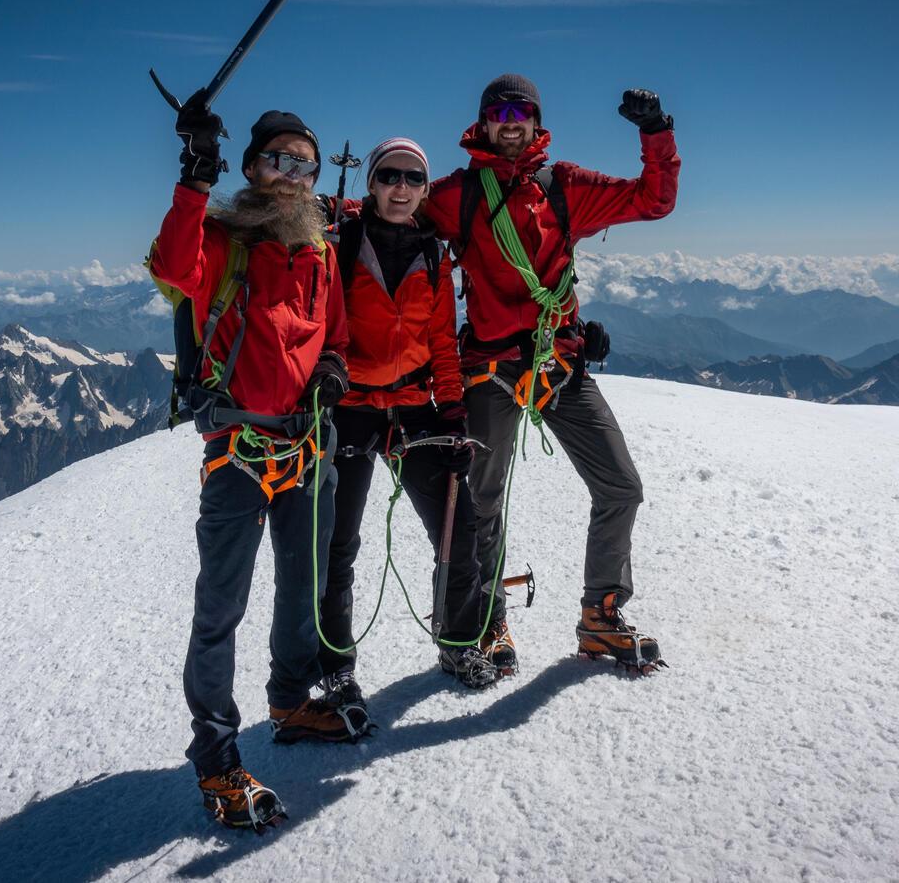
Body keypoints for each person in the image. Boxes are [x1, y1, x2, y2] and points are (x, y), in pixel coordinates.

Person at [149, 90, 371, 832]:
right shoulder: (222, 241)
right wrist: (195, 173)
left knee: (303, 587)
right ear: (251, 167)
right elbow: (172, 264)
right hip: (238, 452)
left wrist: (332, 370)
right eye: (278, 160)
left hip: (307, 445)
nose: (292, 176)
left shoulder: (321, 252)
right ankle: (215, 755)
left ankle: (289, 701)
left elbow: (334, 338)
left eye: (304, 166)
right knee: (222, 607)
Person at [422, 74, 681, 675]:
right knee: (481, 502)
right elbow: (392, 209)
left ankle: (601, 617)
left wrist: (656, 132)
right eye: (499, 112)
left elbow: (653, 199)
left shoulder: (562, 187)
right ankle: (487, 620)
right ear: (483, 122)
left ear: (537, 122)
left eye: (522, 112)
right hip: (490, 367)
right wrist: (324, 208)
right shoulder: (458, 195)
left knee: (621, 486)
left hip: (556, 361)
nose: (511, 122)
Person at [318, 138, 498, 704]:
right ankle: (335, 664)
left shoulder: (433, 253)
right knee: (337, 541)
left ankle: (459, 642)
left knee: (457, 527)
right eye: (390, 175)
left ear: (424, 190)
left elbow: (442, 341)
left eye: (413, 178)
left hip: (416, 405)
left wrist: (454, 411)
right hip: (351, 405)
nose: (401, 187)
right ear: (372, 183)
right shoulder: (343, 243)